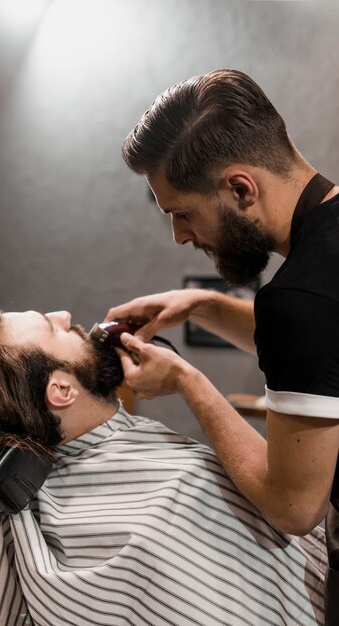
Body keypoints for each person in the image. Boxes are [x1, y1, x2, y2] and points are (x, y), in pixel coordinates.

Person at [104, 69, 339, 623]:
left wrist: (189, 382)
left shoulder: (301, 298)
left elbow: (293, 505)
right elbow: (327, 348)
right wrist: (203, 307)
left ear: (239, 188)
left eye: (181, 213)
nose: (181, 236)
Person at [0, 307, 328, 626]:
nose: (65, 316)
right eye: (52, 328)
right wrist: (189, 379)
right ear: (61, 390)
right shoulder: (179, 492)